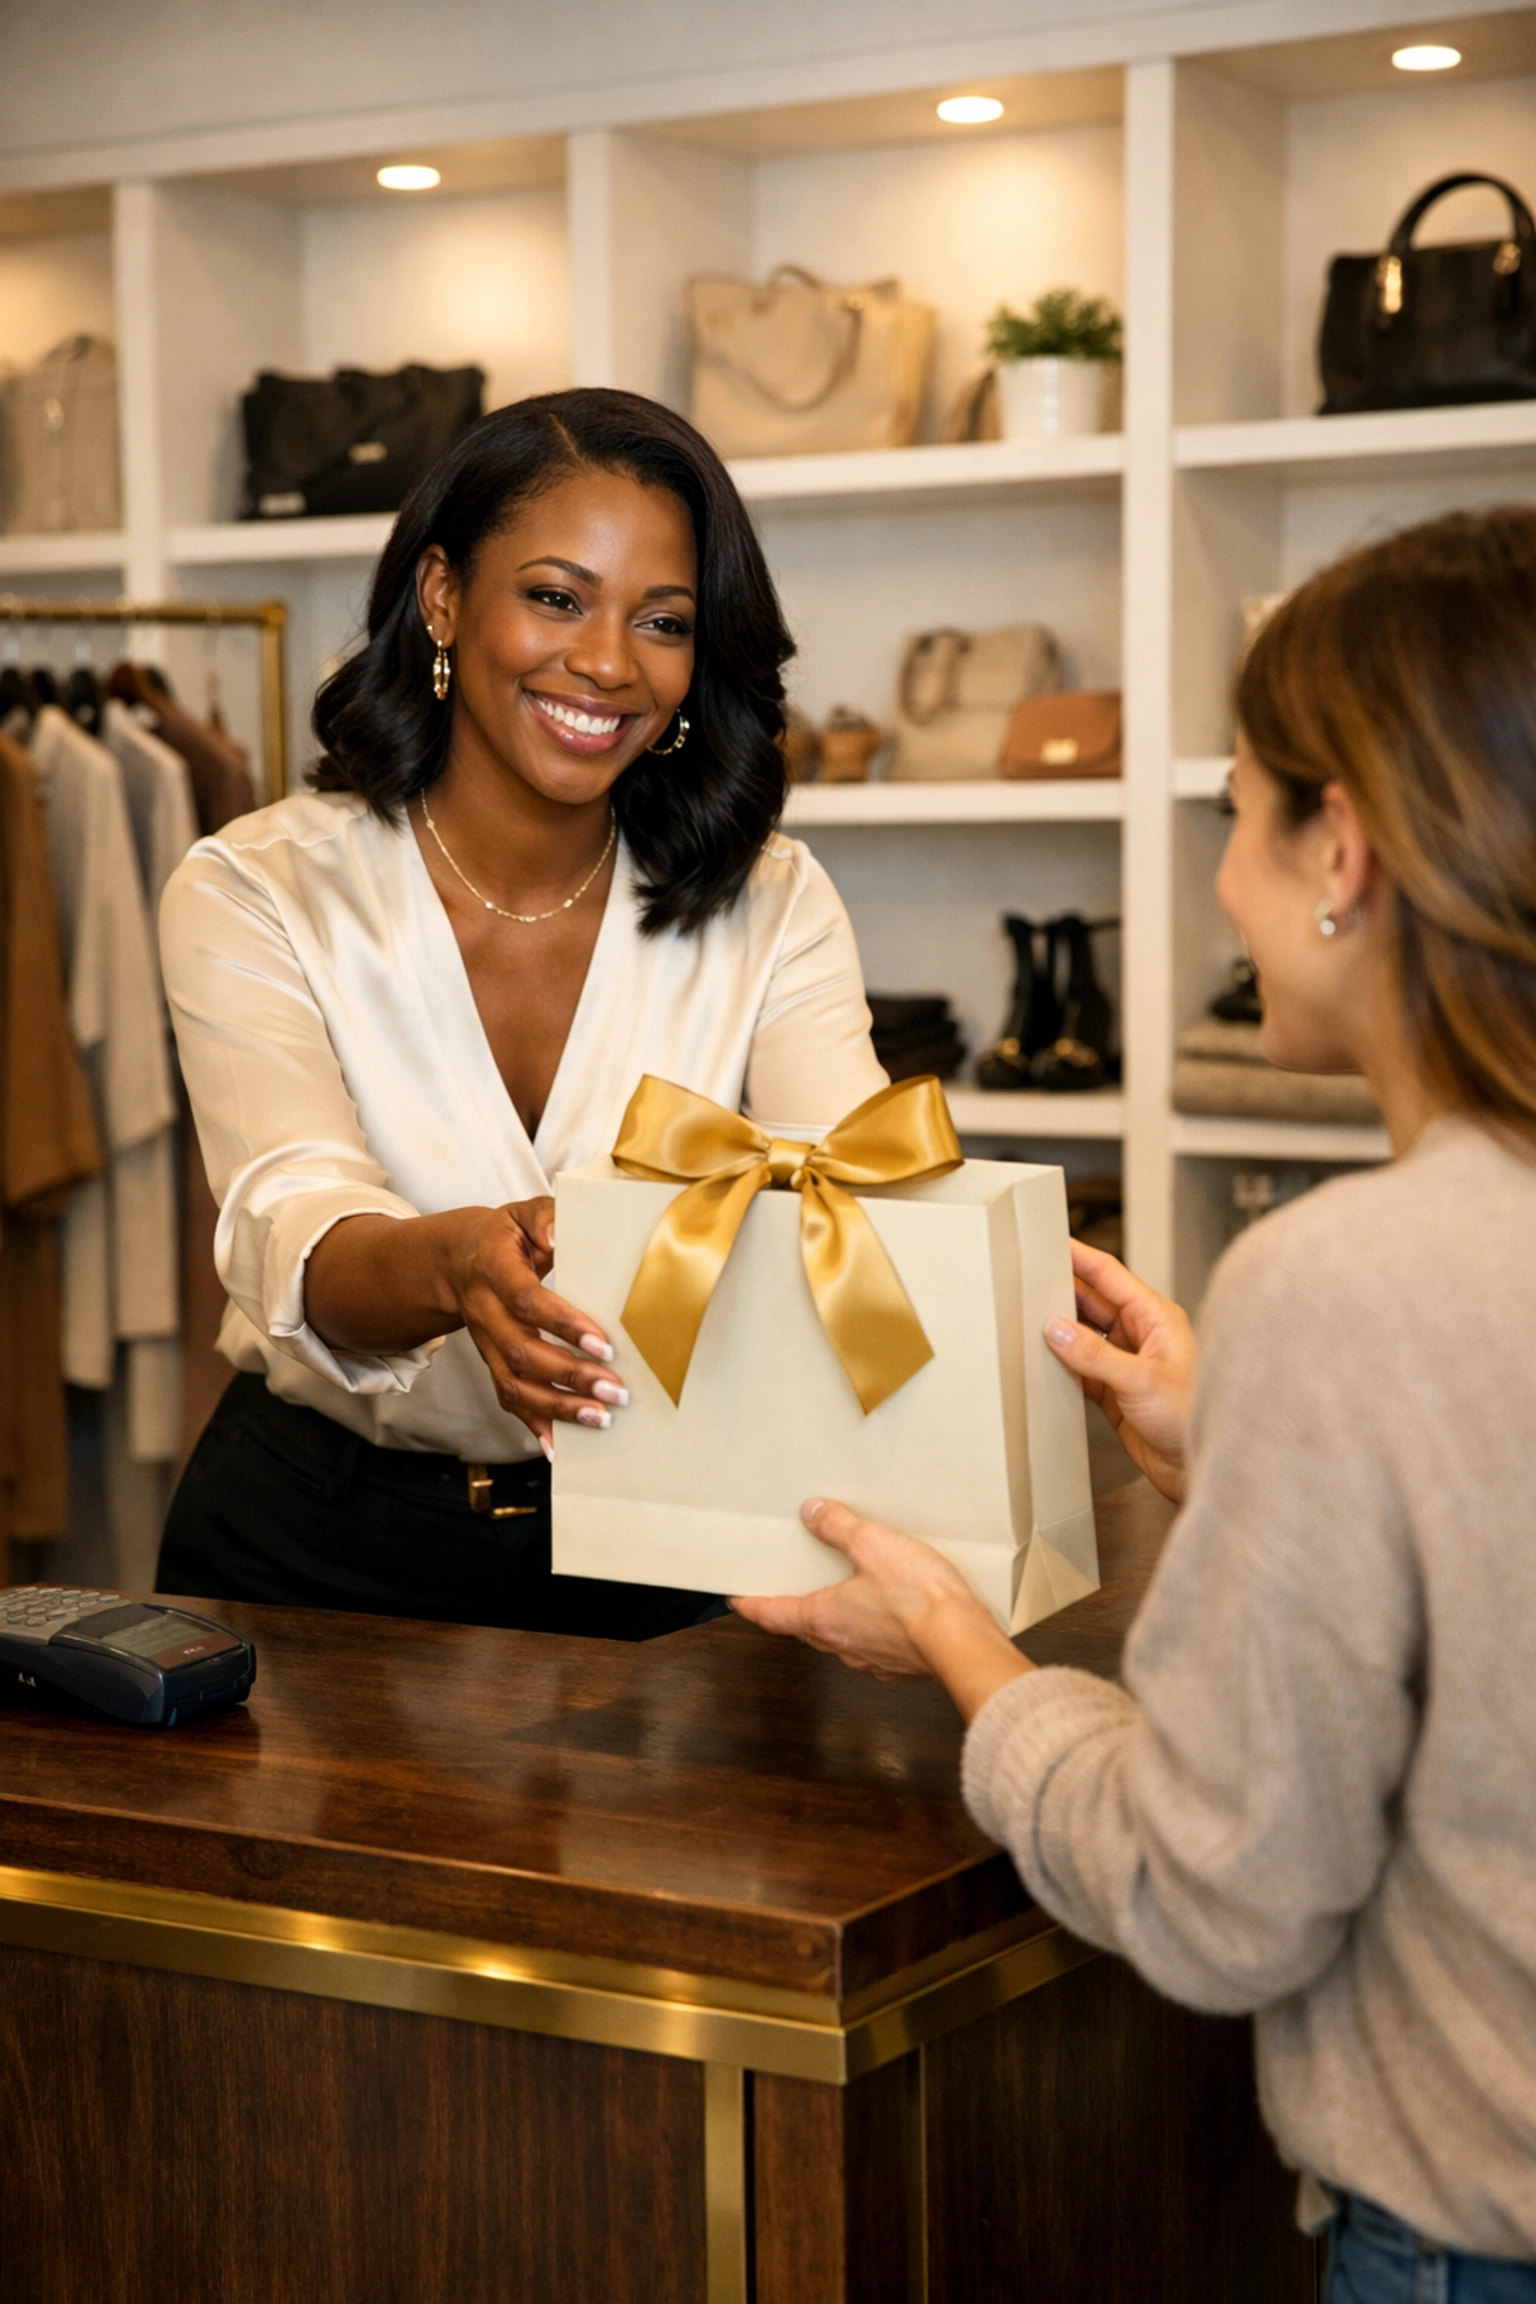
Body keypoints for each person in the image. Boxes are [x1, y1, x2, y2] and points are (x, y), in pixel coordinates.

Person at [734, 507, 1536, 2298]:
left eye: (1239, 809)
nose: (1226, 876)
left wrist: (966, 1647)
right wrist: (1235, 1450)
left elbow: (1217, 1890)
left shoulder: (1348, 1282)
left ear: (1350, 846)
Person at [157, 388, 884, 1635]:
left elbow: (864, 1207)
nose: (607, 662)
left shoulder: (769, 901)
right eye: (556, 597)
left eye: (662, 621)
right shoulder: (256, 888)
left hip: (669, 1544)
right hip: (313, 1548)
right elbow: (291, 1221)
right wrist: (450, 1262)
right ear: (442, 597)